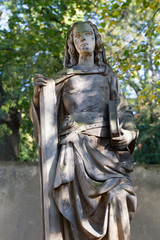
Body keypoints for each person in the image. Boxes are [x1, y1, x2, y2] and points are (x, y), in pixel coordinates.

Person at [30, 21, 138, 240]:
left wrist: (128, 133)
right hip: (75, 152)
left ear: (96, 40)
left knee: (119, 196)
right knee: (72, 209)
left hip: (106, 152)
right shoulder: (62, 80)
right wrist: (38, 95)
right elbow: (47, 115)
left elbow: (124, 111)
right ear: (72, 45)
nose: (83, 40)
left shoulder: (108, 76)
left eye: (88, 35)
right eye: (77, 37)